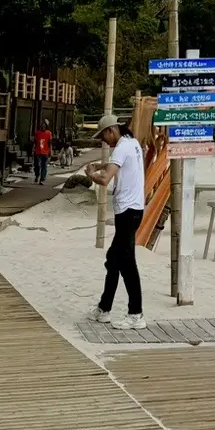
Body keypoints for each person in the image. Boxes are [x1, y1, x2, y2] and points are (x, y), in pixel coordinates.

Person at [83, 121, 145, 328]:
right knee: (114, 260)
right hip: (133, 210)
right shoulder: (132, 143)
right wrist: (100, 166)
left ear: (111, 130)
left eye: (104, 137)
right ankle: (104, 308)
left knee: (126, 264)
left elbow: (105, 180)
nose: (104, 142)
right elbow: (116, 166)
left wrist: (91, 175)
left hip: (127, 212)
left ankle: (136, 314)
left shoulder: (121, 148)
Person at [30, 121, 53, 186]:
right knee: (37, 165)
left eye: (44, 125)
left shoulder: (49, 133)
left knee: (44, 166)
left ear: (46, 126)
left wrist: (50, 152)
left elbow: (50, 143)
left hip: (45, 152)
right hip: (38, 151)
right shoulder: (37, 133)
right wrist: (33, 149)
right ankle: (37, 175)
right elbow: (35, 142)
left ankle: (42, 179)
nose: (43, 127)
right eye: (42, 125)